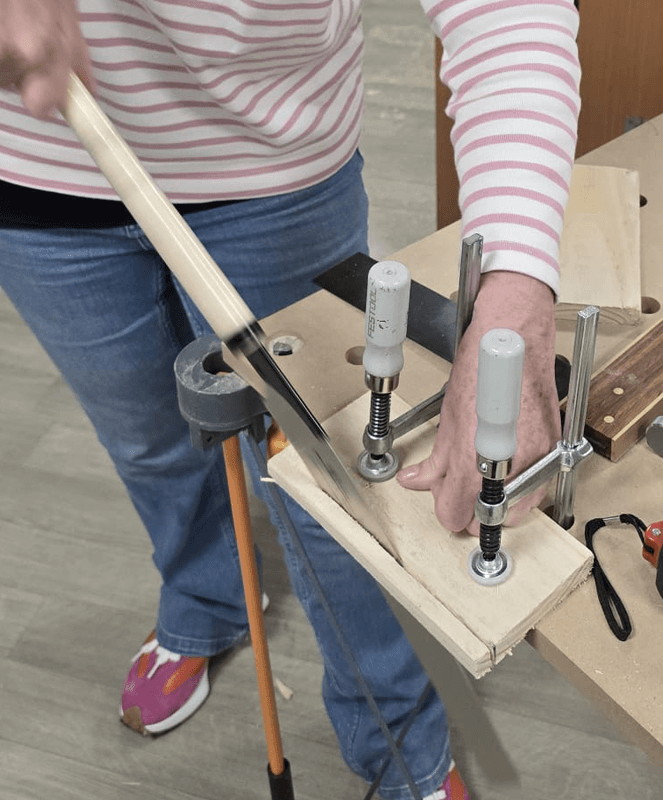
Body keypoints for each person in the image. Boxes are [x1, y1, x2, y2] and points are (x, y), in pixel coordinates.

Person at [0, 1, 580, 798]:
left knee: (333, 489)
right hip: (36, 174)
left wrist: (513, 300)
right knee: (149, 443)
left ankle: (400, 739)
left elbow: (508, 11)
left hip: (269, 170)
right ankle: (207, 598)